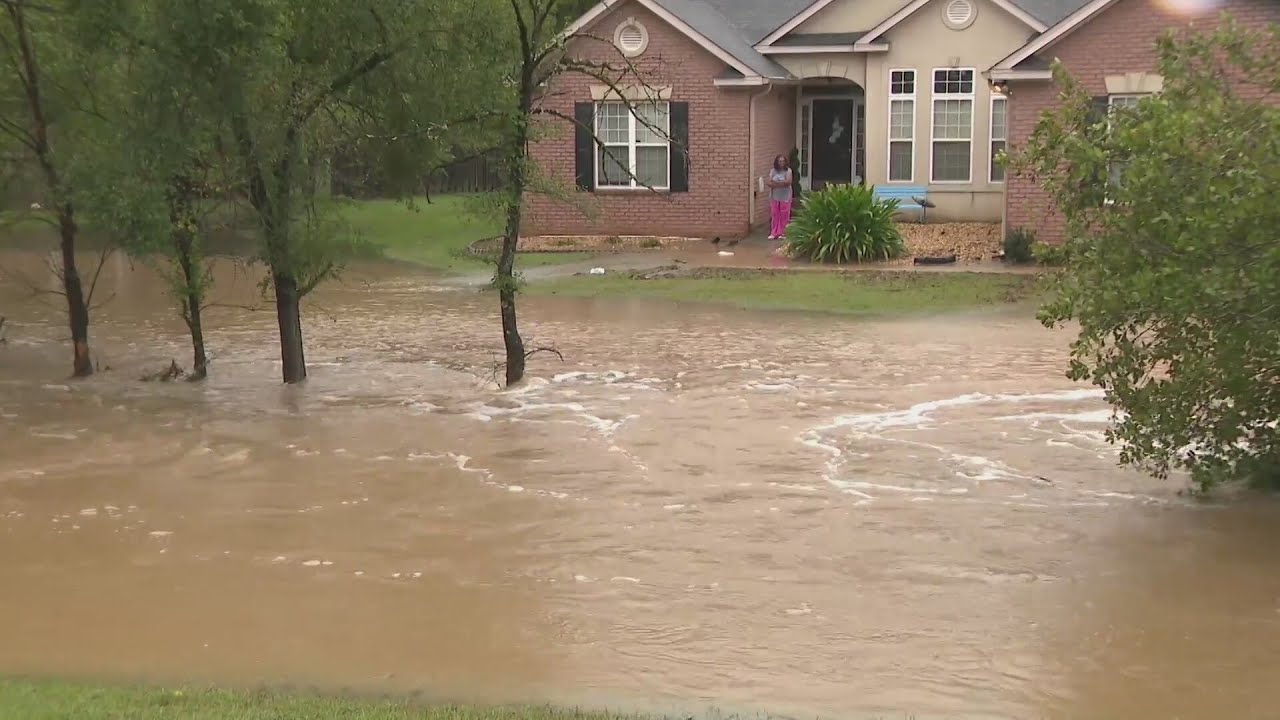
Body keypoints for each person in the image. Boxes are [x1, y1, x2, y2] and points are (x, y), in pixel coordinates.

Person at [766, 154, 793, 240]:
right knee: (775, 214)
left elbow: (788, 182)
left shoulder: (788, 171)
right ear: (776, 162)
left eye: (783, 161)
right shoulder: (773, 171)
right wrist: (781, 184)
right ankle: (774, 232)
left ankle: (784, 232)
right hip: (774, 197)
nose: (781, 163)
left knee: (784, 214)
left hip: (785, 196)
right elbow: (769, 183)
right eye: (779, 161)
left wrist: (775, 184)